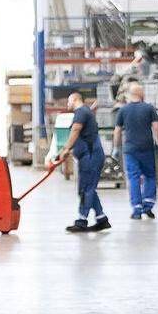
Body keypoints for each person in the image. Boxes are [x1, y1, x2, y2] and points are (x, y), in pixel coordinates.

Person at [50, 90, 110, 233]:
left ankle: (81, 221)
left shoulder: (81, 112)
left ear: (75, 99)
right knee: (88, 188)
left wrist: (65, 149)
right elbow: (82, 138)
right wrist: (67, 151)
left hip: (91, 157)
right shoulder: (85, 112)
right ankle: (102, 219)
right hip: (88, 156)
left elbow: (76, 130)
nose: (67, 104)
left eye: (68, 101)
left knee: (86, 189)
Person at [114, 82, 158, 220]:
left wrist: (115, 147)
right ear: (141, 93)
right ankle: (148, 206)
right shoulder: (149, 108)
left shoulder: (123, 110)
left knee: (133, 178)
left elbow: (117, 131)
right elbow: (157, 128)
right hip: (147, 148)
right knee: (149, 176)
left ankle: (137, 209)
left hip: (130, 150)